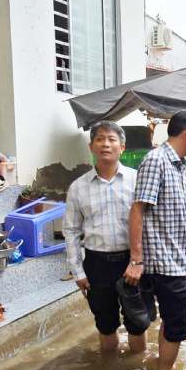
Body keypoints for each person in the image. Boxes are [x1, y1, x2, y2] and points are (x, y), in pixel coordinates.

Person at [124, 110, 186, 370]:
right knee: (176, 326)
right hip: (162, 265)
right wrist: (136, 260)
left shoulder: (180, 166)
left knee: (171, 325)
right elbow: (137, 210)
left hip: (176, 261)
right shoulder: (156, 161)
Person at [63, 121, 146, 355]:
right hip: (97, 264)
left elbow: (148, 225)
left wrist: (140, 263)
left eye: (111, 139)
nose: (106, 144)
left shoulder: (137, 181)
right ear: (91, 146)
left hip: (131, 262)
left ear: (123, 147)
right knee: (106, 324)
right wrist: (78, 271)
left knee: (138, 323)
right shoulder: (78, 188)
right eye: (100, 139)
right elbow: (71, 231)